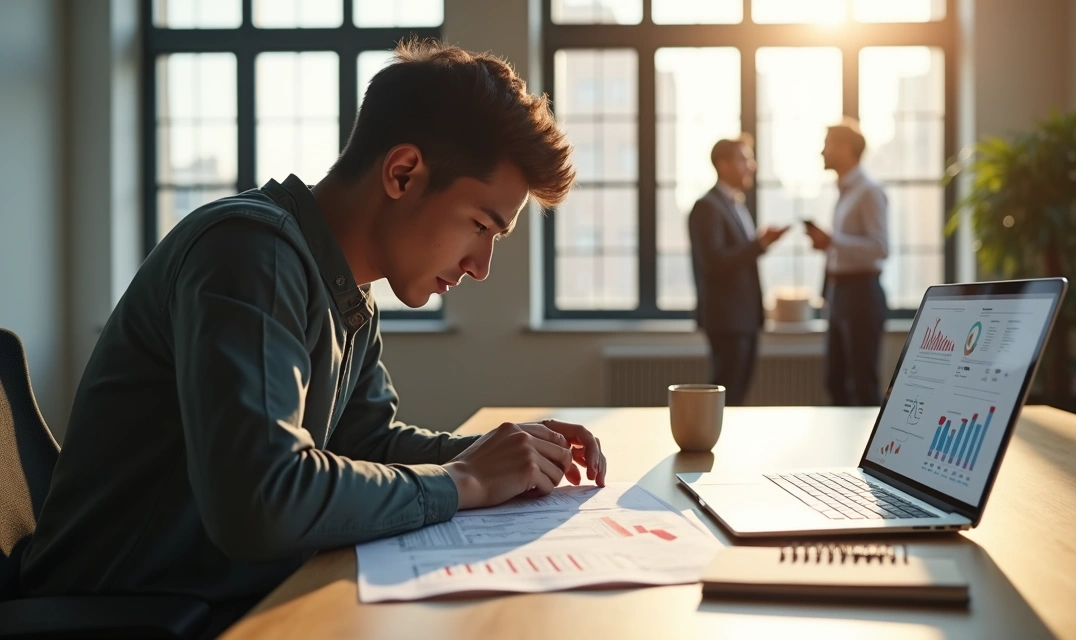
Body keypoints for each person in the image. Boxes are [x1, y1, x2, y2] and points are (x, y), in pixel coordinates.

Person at [20, 39, 604, 636]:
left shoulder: (345, 289)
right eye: (481, 225)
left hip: (212, 596)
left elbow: (365, 441)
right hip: (131, 613)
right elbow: (264, 499)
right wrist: (466, 481)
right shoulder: (249, 253)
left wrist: (502, 454)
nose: (481, 265)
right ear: (403, 173)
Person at [688, 135, 788, 406]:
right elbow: (715, 262)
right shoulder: (707, 207)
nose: (752, 165)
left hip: (743, 319)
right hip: (727, 320)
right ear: (723, 165)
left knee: (738, 395)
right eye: (745, 159)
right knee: (728, 395)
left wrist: (758, 244)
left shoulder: (735, 204)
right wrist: (759, 244)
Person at [805, 119, 890, 406]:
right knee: (835, 381)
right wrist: (828, 247)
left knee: (862, 384)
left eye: (827, 145)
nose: (821, 152)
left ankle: (871, 450)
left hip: (861, 295)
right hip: (840, 294)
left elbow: (880, 248)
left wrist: (833, 242)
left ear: (845, 148)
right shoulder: (845, 191)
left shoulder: (868, 191)